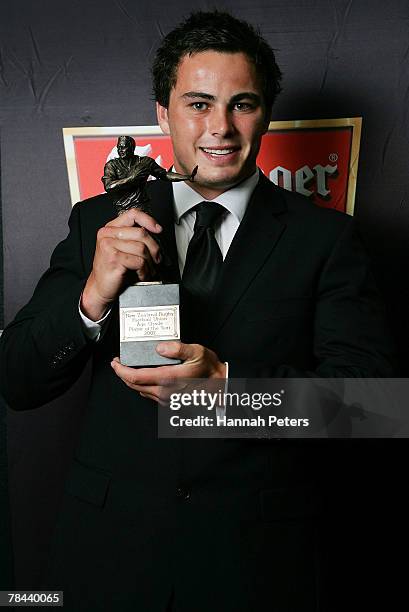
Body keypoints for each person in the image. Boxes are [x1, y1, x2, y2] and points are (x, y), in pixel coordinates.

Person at [0, 10, 394, 611]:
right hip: (111, 559)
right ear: (163, 113)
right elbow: (17, 379)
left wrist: (227, 391)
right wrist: (90, 300)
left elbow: (367, 409)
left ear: (266, 113)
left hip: (257, 566)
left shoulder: (327, 240)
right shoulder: (96, 223)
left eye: (243, 104)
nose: (222, 129)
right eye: (199, 104)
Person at [102, 135, 197, 215]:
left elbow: (164, 175)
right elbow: (109, 186)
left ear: (132, 148)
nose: (120, 150)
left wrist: (187, 177)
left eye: (123, 147)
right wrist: (131, 178)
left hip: (143, 207)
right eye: (119, 147)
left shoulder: (145, 162)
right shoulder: (112, 165)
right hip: (123, 210)